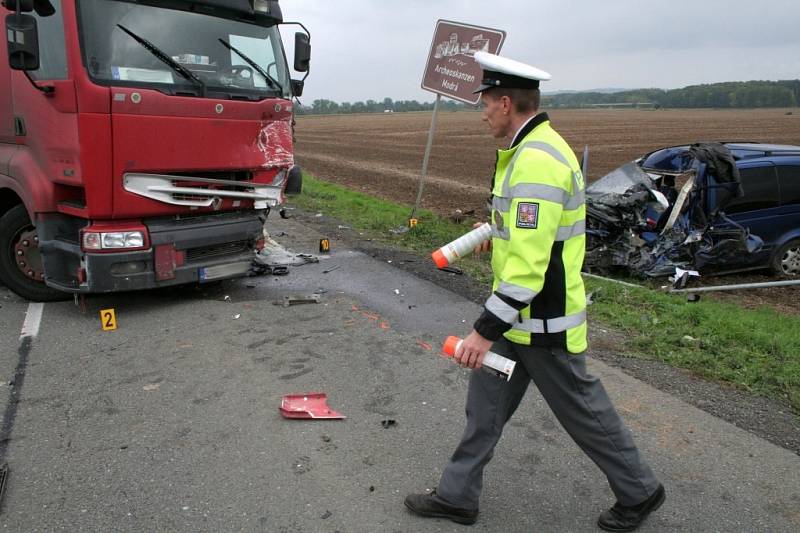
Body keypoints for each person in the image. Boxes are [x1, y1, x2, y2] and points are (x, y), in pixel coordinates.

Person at [404, 51, 665, 531]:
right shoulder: (529, 151)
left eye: (484, 101)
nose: (480, 110)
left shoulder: (536, 162)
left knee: (584, 412)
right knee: (484, 408)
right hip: (515, 319)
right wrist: (495, 238)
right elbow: (529, 238)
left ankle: (640, 491)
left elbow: (529, 270)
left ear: (506, 103)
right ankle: (457, 496)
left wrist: (482, 332)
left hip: (542, 322)